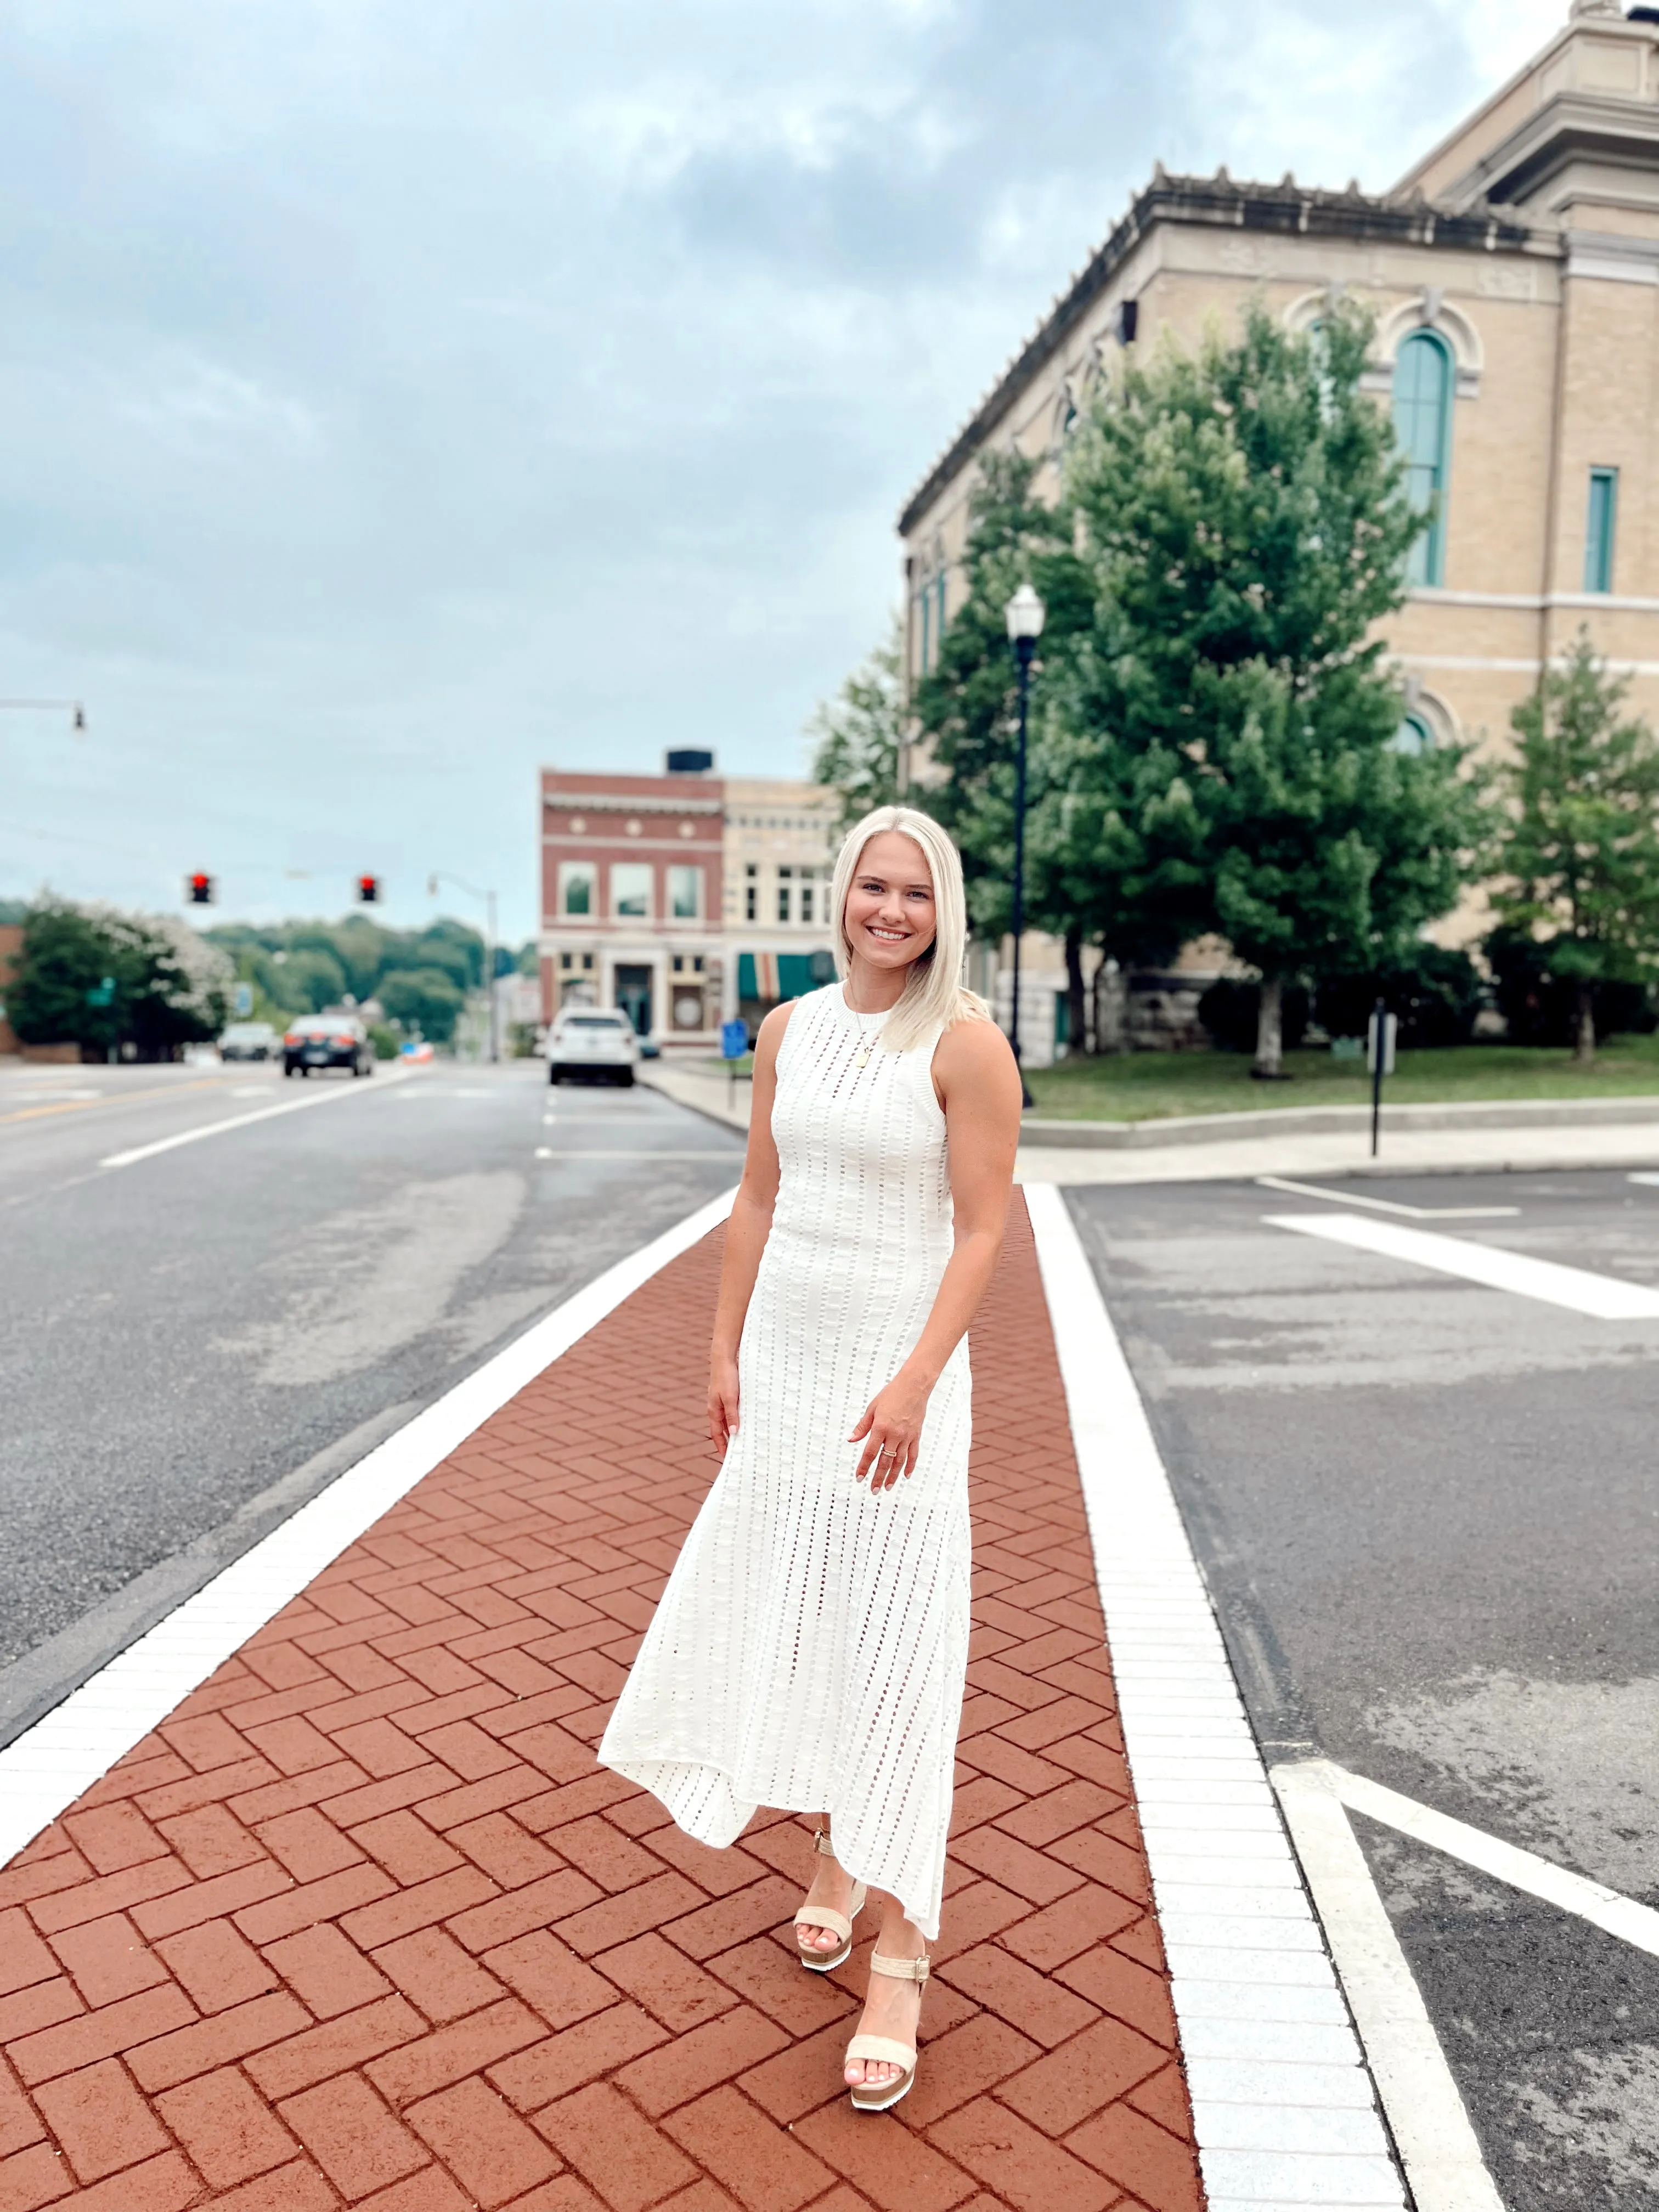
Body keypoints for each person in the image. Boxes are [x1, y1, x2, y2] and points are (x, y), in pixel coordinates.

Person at [599, 804, 1022, 2113]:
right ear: (840, 896)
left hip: (895, 1388)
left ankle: (906, 1948)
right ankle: (836, 1854)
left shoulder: (965, 1046)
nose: (890, 912)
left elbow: (981, 1233)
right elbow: (758, 1201)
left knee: (897, 1651)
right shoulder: (788, 1030)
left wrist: (912, 1383)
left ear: (943, 909)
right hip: (785, 1373)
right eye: (871, 888)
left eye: (915, 894)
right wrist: (724, 1351)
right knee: (804, 1625)